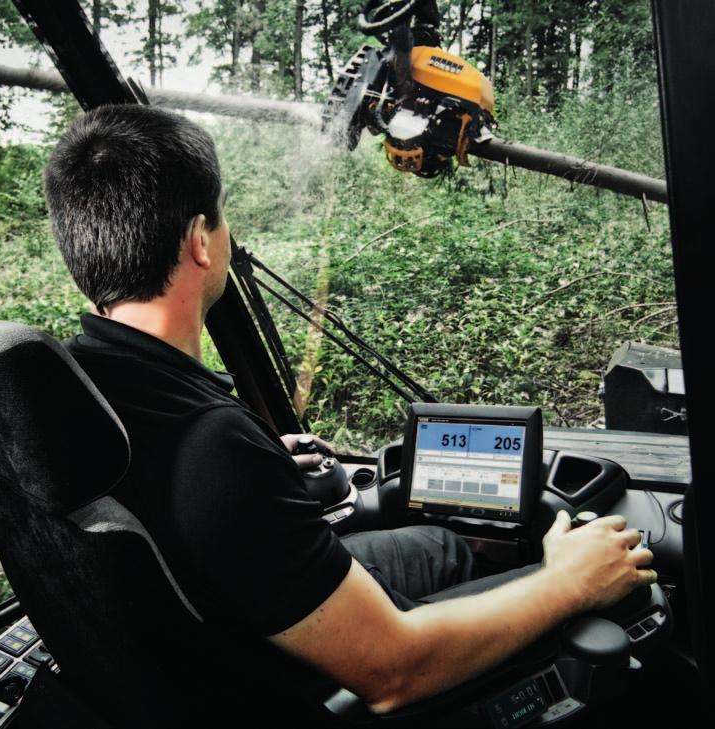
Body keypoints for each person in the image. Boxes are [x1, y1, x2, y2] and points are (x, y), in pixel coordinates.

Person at [45, 104, 657, 718]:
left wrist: (256, 478)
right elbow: (392, 674)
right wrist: (569, 583)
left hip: (190, 647)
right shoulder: (210, 446)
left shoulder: (73, 387)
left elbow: (160, 492)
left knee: (443, 547)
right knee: (614, 599)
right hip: (279, 687)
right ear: (201, 241)